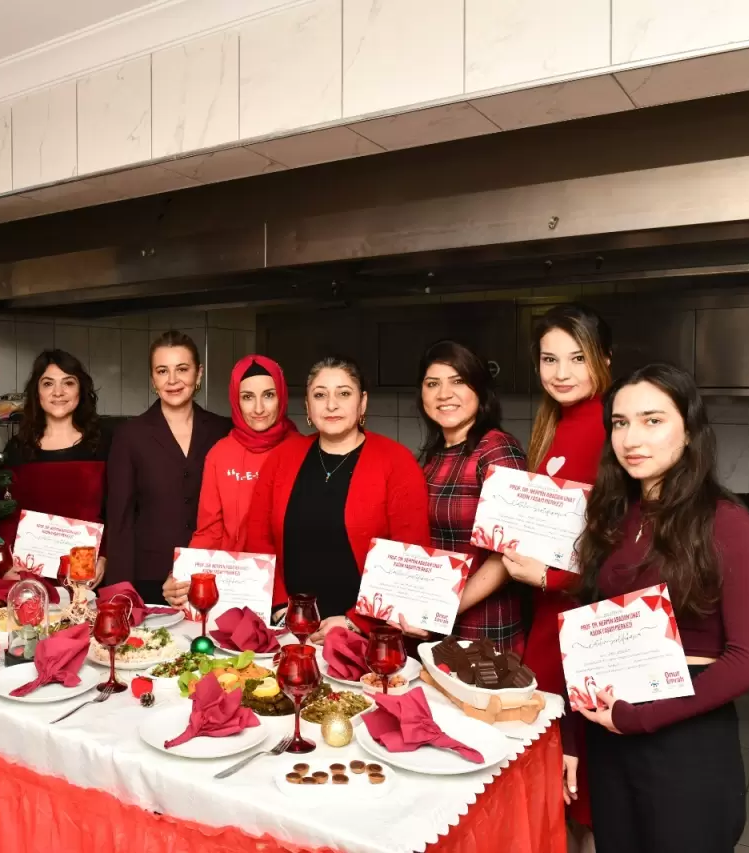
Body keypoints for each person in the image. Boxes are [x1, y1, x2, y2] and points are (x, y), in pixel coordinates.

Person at [574, 363, 749, 853]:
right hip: (611, 735)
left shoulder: (723, 521)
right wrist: (575, 740)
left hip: (684, 740)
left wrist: (640, 718)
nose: (632, 438)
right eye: (620, 423)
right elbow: (589, 637)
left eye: (653, 420)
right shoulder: (615, 515)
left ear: (688, 430)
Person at [499, 304, 612, 833]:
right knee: (551, 784)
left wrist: (551, 577)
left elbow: (624, 549)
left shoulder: (614, 427)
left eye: (577, 358)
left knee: (582, 788)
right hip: (549, 622)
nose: (561, 372)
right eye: (549, 359)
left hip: (591, 627)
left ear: (604, 360)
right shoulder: (554, 425)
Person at [246, 356, 430, 638]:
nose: (331, 405)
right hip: (290, 631)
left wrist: (354, 622)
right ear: (308, 406)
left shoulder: (397, 462)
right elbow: (258, 540)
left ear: (362, 402)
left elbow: (410, 559)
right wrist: (282, 608)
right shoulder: (282, 458)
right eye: (320, 395)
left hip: (366, 637)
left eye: (344, 394)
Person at [416, 340, 528, 653]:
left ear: (479, 390)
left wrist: (445, 608)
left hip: (484, 630)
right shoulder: (433, 456)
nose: (444, 394)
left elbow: (509, 552)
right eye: (432, 383)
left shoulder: (497, 449)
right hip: (437, 626)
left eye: (458, 382)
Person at [163, 355, 299, 607]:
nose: (258, 408)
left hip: (292, 590)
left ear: (282, 396)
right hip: (235, 587)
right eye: (247, 397)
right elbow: (209, 531)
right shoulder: (220, 453)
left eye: (268, 395)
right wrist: (182, 575)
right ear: (236, 401)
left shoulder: (302, 451)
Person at [106, 331, 230, 603]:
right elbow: (120, 520)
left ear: (199, 374)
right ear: (153, 379)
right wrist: (120, 595)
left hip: (213, 574)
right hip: (149, 579)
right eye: (162, 371)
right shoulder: (130, 435)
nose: (172, 380)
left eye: (182, 369)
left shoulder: (224, 430)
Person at [0, 349, 110, 584]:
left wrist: (106, 557)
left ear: (80, 390)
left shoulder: (105, 444)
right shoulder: (18, 448)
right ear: (37, 392)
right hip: (31, 575)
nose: (58, 392)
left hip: (86, 573)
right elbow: (5, 514)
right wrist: (5, 561)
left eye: (68, 383)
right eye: (48, 384)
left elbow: (118, 511)